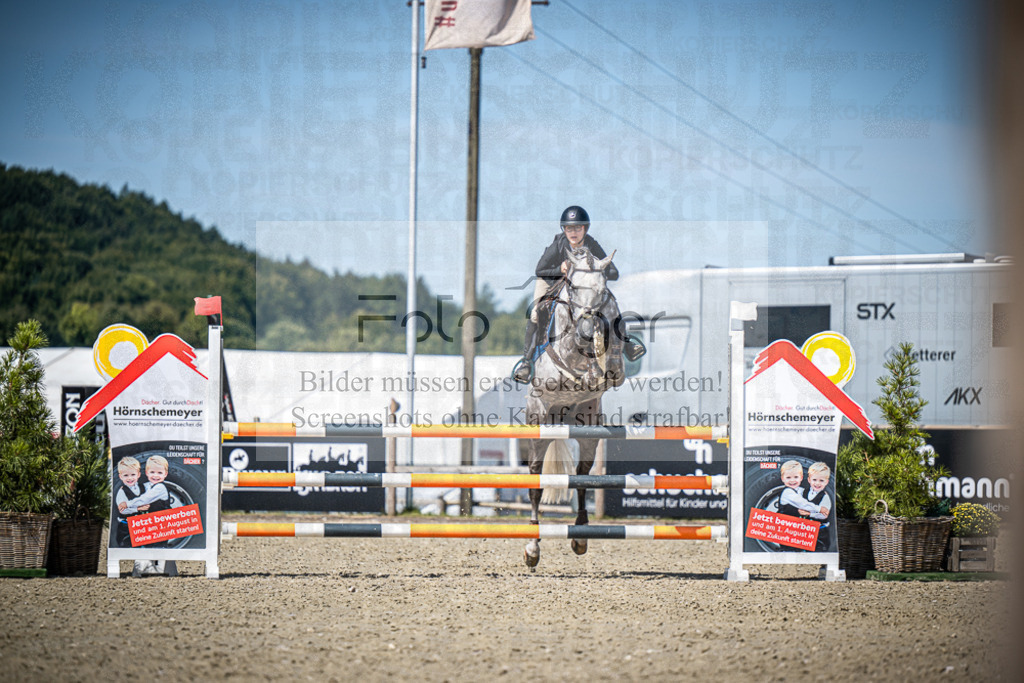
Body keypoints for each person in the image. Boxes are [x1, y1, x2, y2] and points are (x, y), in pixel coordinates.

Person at [512, 205, 621, 383]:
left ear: (585, 229)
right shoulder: (559, 244)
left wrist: (595, 272)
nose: (573, 232)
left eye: (577, 228)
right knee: (534, 314)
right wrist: (559, 269)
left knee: (610, 304)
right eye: (569, 228)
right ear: (564, 229)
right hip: (550, 280)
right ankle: (526, 362)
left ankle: (626, 345)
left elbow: (614, 272)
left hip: (579, 286)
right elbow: (540, 269)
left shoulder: (592, 244)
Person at [114, 456, 146, 547]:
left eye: (133, 475)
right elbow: (122, 510)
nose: (130, 478)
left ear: (138, 475)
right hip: (126, 526)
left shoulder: (143, 487)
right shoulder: (122, 492)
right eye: (126, 475)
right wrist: (138, 508)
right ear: (120, 477)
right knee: (127, 544)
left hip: (140, 524)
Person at [803, 461, 833, 552]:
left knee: (818, 551)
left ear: (826, 482)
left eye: (821, 480)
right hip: (807, 530)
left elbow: (824, 515)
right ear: (809, 480)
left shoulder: (825, 497)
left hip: (820, 531)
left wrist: (809, 514)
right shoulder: (805, 492)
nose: (817, 483)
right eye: (814, 480)